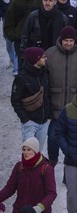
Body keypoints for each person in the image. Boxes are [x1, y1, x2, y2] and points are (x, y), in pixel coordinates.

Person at [0, 137, 57, 213]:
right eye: (24, 149)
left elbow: (51, 193)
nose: (26, 152)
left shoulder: (46, 169)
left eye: (29, 150)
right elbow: (10, 188)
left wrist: (40, 207)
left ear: (35, 151)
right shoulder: (19, 167)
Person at [44, 25, 77, 167]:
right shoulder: (50, 54)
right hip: (55, 107)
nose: (68, 43)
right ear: (61, 40)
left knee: (72, 142)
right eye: (66, 40)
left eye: (71, 40)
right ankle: (52, 162)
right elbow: (43, 78)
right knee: (52, 138)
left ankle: (67, 171)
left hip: (73, 109)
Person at [11, 47, 51, 151]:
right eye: (43, 57)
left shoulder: (44, 73)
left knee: (38, 152)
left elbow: (47, 95)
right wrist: (25, 120)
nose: (45, 59)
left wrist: (48, 115)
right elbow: (15, 101)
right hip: (30, 122)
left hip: (44, 121)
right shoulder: (21, 78)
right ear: (35, 59)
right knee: (29, 154)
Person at [56, 94, 77, 213]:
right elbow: (59, 132)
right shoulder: (68, 109)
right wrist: (67, 150)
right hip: (71, 160)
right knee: (72, 195)